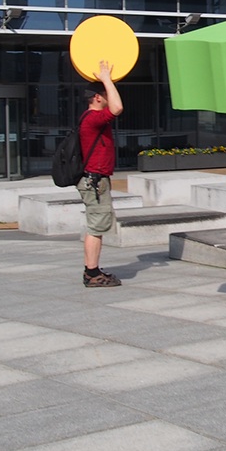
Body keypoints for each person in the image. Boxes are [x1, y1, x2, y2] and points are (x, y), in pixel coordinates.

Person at [78, 60, 124, 287]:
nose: (109, 96)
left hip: (96, 180)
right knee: (96, 227)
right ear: (97, 97)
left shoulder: (90, 119)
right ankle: (92, 274)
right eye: (105, 93)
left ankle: (92, 270)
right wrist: (106, 79)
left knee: (96, 225)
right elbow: (117, 108)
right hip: (94, 181)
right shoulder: (93, 118)